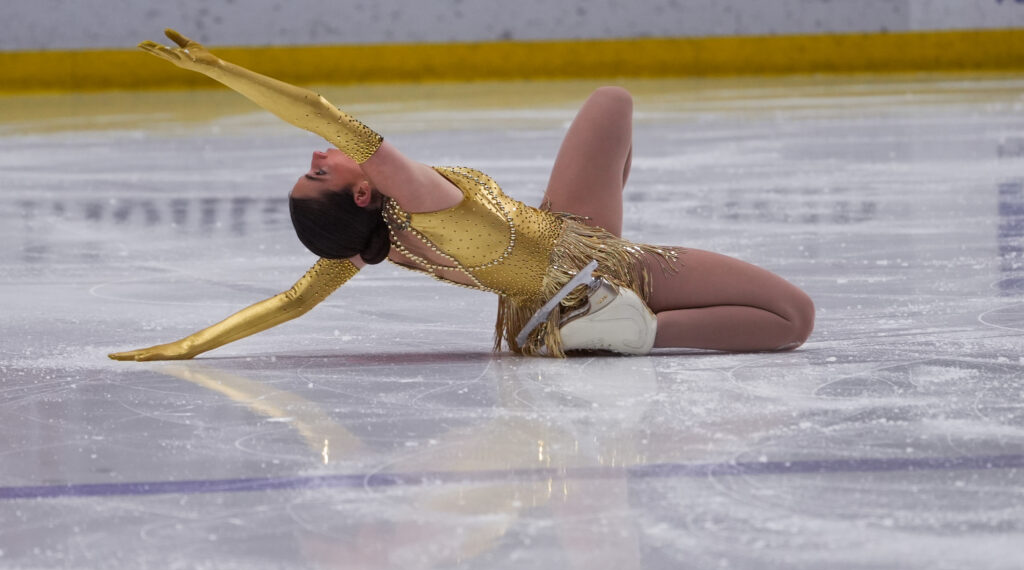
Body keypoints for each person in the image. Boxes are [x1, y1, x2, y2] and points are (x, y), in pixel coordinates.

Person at [110, 30, 814, 362]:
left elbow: (291, 303)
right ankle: (628, 327)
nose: (320, 156)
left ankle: (584, 316)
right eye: (319, 171)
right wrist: (218, 68)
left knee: (611, 105)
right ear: (361, 188)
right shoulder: (414, 196)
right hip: (588, 276)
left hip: (555, 259)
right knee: (792, 317)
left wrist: (189, 344)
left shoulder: (369, 243)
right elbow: (322, 116)